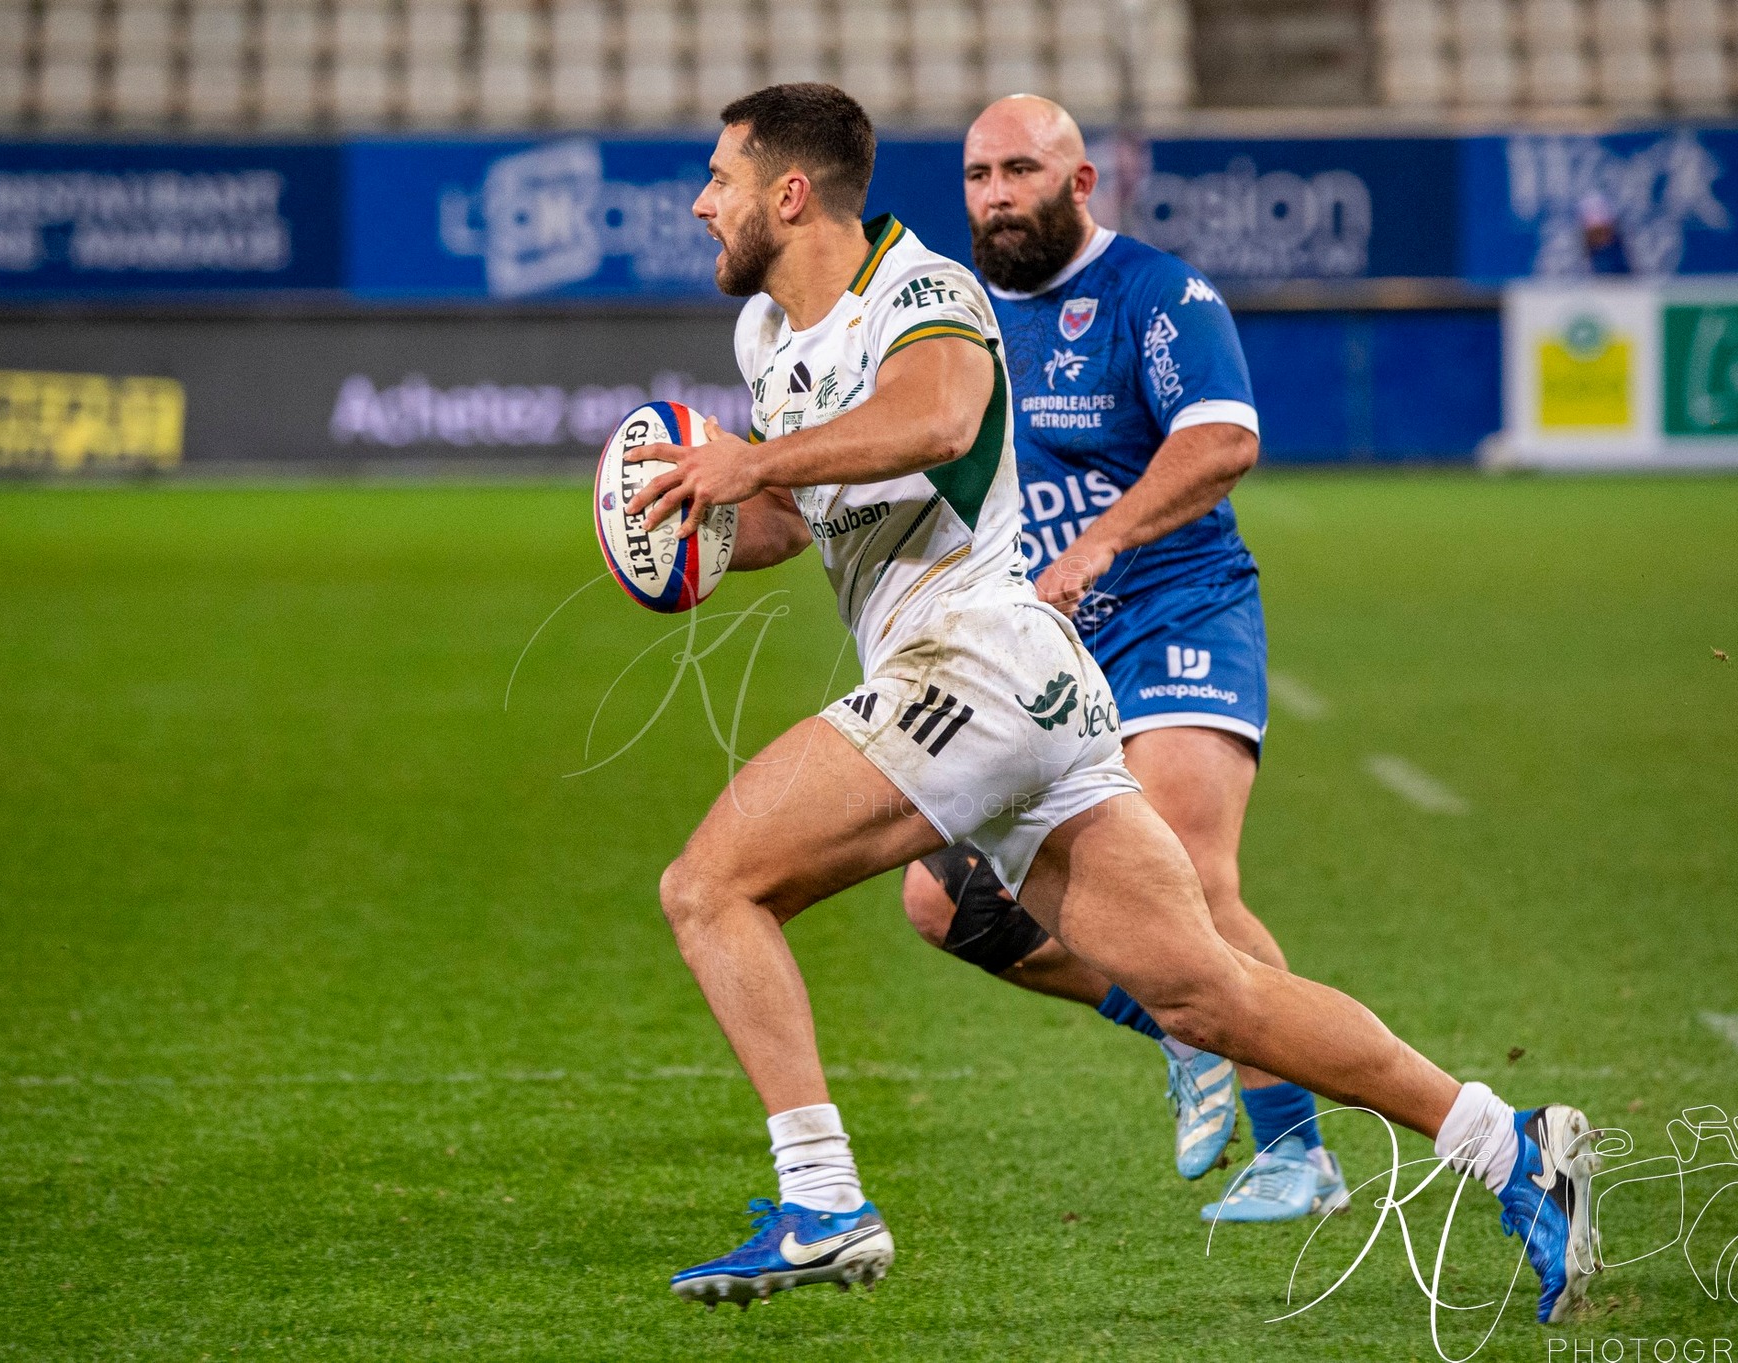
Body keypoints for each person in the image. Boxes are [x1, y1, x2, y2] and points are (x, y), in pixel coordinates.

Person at [624, 81, 1598, 1324]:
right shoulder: (768, 335)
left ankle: (822, 1200)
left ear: (790, 192)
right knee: (1206, 993)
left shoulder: (920, 290)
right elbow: (792, 513)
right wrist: (701, 526)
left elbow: (939, 416)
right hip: (1028, 692)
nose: (699, 203)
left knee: (709, 887)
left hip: (967, 667)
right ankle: (1515, 1147)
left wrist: (752, 457)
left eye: (718, 179)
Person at [897, 95, 1340, 1223]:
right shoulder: (950, 320)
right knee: (944, 903)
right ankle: (1177, 1023)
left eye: (1019, 171)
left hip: (1175, 609)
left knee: (1187, 875)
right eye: (977, 176)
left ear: (1080, 182)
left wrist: (1100, 540)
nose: (996, 196)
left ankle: (1295, 1151)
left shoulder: (1157, 293)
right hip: (1038, 645)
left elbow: (1222, 437)